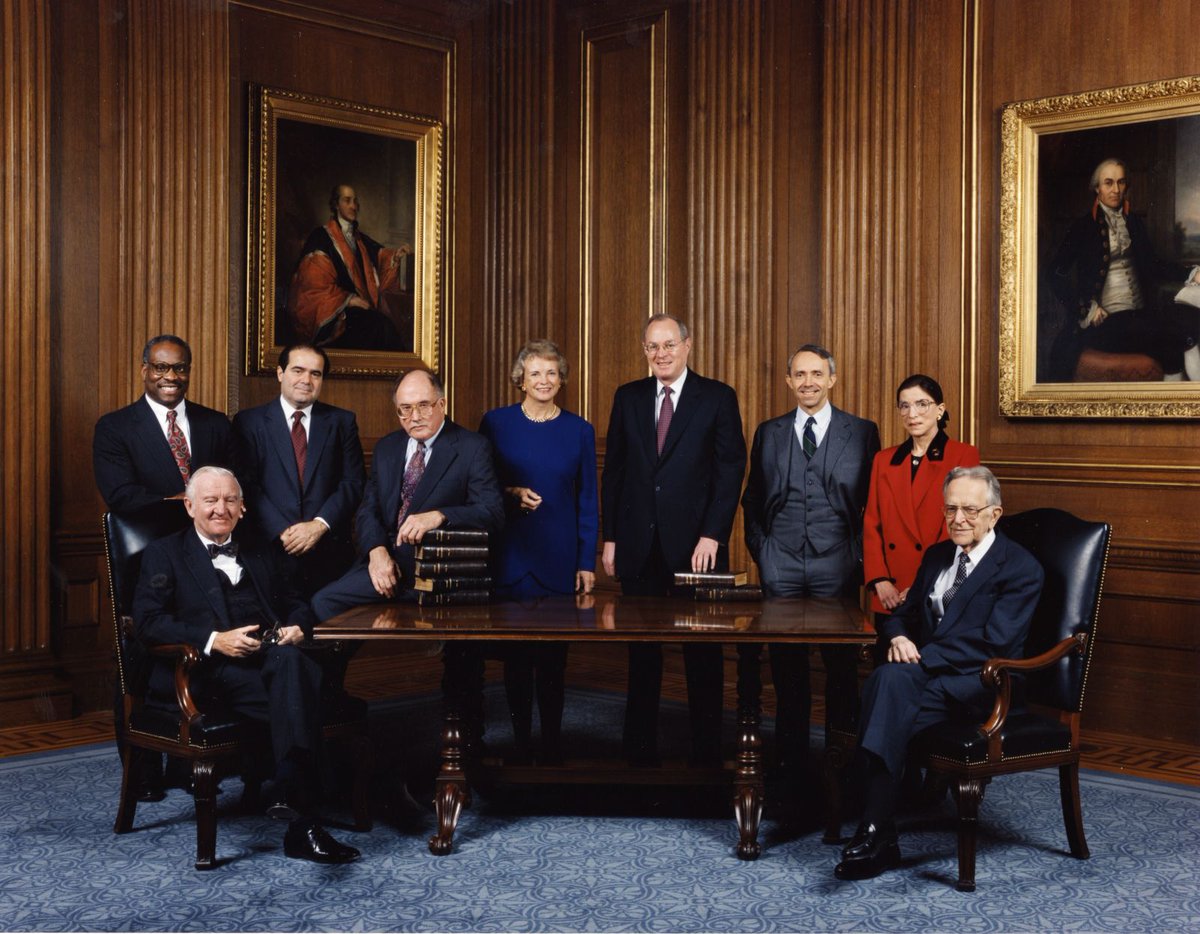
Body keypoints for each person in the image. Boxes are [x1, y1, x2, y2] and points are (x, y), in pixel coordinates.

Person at [131, 466, 361, 864]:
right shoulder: (164, 553)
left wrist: (297, 626)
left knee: (291, 660)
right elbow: (147, 623)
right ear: (189, 506)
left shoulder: (261, 549)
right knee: (304, 692)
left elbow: (295, 600)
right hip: (208, 673)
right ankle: (302, 816)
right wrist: (214, 641)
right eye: (210, 501)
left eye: (230, 500)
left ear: (243, 507)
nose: (221, 509)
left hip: (270, 659)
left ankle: (292, 797)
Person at [834, 466, 1043, 881]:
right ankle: (879, 831)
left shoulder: (1019, 568)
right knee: (888, 682)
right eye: (950, 509)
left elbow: (993, 644)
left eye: (970, 509)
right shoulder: (937, 556)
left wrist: (923, 655)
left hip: (981, 683)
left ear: (994, 514)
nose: (958, 519)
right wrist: (896, 638)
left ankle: (877, 830)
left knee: (885, 688)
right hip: (929, 675)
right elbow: (901, 615)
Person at [601, 314, 746, 766]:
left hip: (697, 548)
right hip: (638, 545)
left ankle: (706, 754)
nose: (660, 354)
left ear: (687, 345)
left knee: (701, 655)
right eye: (651, 347)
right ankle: (638, 755)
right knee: (641, 654)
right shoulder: (628, 397)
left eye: (668, 345)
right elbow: (616, 472)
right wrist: (611, 539)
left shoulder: (717, 397)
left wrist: (713, 535)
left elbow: (730, 472)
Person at [741, 344, 880, 776]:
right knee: (787, 669)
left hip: (836, 562)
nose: (808, 383)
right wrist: (764, 552)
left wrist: (856, 558)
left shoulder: (860, 431)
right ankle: (790, 768)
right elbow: (753, 500)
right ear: (788, 381)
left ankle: (842, 770)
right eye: (799, 375)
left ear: (832, 379)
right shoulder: (770, 431)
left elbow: (871, 505)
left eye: (816, 374)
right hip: (779, 561)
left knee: (840, 669)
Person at [479, 340, 599, 764]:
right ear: (520, 379)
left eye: (552, 373)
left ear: (561, 379)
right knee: (515, 660)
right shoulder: (495, 423)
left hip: (559, 556)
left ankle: (551, 746)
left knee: (552, 661)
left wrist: (587, 562)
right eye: (535, 373)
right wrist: (510, 493)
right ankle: (519, 744)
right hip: (511, 553)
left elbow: (588, 500)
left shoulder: (580, 430)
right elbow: (480, 486)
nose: (544, 381)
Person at [310, 369, 505, 620]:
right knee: (323, 603)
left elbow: (492, 512)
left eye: (424, 406)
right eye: (405, 408)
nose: (414, 417)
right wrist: (376, 550)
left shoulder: (472, 447)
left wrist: (439, 516)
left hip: (439, 569)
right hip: (386, 562)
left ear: (442, 404)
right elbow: (368, 510)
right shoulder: (387, 447)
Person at [1048, 157, 1200, 381]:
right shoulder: (1083, 227)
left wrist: (1190, 273)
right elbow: (1054, 274)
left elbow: (1154, 265)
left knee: (1188, 325)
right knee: (1176, 338)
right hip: (1107, 322)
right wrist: (1087, 310)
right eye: (1108, 183)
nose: (1116, 189)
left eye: (1121, 183)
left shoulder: (1134, 223)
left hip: (1140, 314)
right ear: (1097, 188)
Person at [232, 343, 366, 598]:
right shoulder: (249, 422)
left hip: (329, 550)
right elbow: (247, 485)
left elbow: (353, 482)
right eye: (298, 370)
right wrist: (283, 530)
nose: (306, 380)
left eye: (315, 374)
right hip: (269, 547)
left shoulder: (342, 421)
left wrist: (318, 525)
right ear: (280, 373)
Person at [863, 374, 980, 623]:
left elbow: (960, 528)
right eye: (904, 406)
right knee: (888, 659)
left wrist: (922, 584)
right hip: (890, 592)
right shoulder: (884, 460)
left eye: (921, 404)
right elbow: (872, 524)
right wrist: (879, 579)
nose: (912, 413)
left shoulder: (963, 455)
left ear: (940, 410)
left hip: (937, 587)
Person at [93, 335, 236, 514]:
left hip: (214, 536)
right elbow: (121, 494)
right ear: (145, 371)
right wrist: (178, 501)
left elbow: (236, 481)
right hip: (152, 534)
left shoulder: (217, 423)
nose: (171, 376)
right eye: (160, 368)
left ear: (189, 372)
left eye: (180, 368)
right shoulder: (114, 427)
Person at [287, 184, 413, 350]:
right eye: (347, 201)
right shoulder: (320, 237)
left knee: (385, 326)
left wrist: (396, 255)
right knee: (380, 326)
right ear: (335, 205)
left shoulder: (358, 238)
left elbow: (380, 256)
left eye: (355, 201)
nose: (354, 206)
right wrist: (349, 300)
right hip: (337, 315)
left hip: (361, 310)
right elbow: (311, 287)